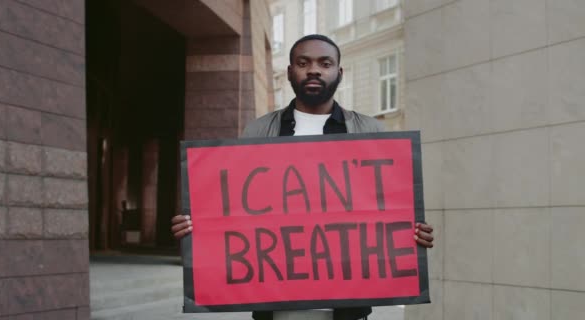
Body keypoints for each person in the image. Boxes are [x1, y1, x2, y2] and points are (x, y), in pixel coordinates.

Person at [172, 34, 434, 320]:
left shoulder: (370, 133)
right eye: (303, 62)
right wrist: (198, 225)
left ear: (339, 72)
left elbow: (384, 211)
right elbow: (235, 209)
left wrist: (411, 232)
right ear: (289, 72)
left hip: (346, 307)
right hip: (275, 304)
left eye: (325, 63)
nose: (314, 70)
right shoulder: (258, 132)